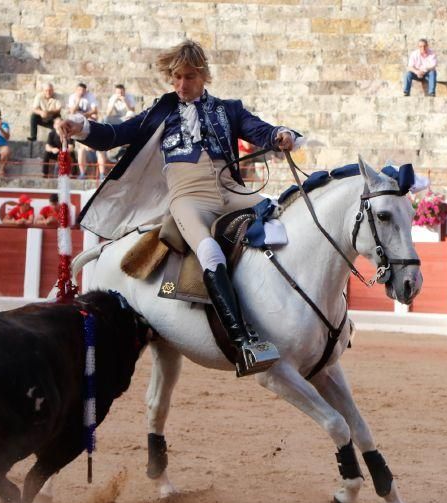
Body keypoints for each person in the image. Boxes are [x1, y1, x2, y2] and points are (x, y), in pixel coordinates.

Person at [58, 40, 298, 375]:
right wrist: (79, 126)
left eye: (187, 77)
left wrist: (281, 135)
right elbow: (114, 135)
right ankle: (243, 342)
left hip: (232, 192)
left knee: (286, 218)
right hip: (189, 199)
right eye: (175, 78)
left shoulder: (229, 110)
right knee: (210, 254)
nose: (180, 86)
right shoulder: (163, 111)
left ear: (203, 75)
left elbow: (261, 131)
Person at [68, 82, 106, 180]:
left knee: (100, 150)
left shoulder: (90, 96)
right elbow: (72, 111)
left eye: (83, 91)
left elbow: (95, 111)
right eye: (79, 90)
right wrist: (79, 99)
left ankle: (102, 174)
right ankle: (82, 173)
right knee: (81, 150)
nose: (81, 92)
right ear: (76, 90)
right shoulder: (72, 97)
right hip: (78, 125)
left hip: (89, 123)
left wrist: (84, 115)